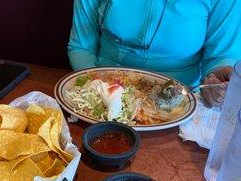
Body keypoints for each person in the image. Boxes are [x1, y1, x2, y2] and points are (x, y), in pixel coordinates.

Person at [68, 0, 241, 107]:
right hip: (103, 89)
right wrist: (98, 89)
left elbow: (222, 54)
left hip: (179, 101)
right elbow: (81, 47)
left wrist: (216, 82)